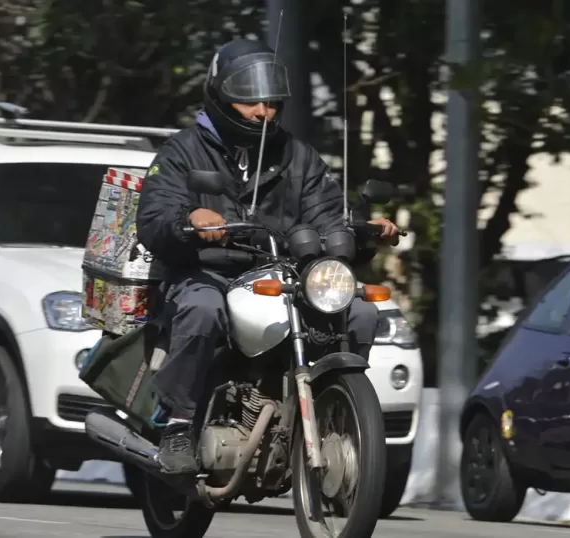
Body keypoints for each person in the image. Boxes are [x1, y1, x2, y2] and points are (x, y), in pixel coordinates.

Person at [135, 38, 401, 474]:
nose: (264, 111)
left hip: (285, 275)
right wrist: (191, 216)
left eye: (272, 102)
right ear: (221, 96)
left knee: (360, 314)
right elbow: (155, 216)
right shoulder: (182, 151)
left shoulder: (299, 157)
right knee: (202, 311)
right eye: (250, 101)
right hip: (205, 271)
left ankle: (333, 409)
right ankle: (178, 425)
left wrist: (365, 234)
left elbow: (327, 217)